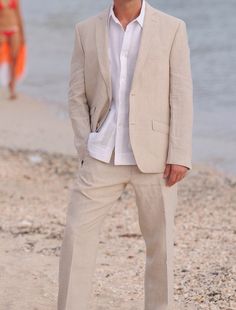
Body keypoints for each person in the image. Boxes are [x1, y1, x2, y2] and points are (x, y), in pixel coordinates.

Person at [57, 0, 193, 309]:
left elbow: (181, 95)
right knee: (76, 237)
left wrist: (180, 152)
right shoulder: (86, 30)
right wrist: (85, 145)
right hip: (102, 153)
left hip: (155, 158)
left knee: (161, 248)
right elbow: (76, 95)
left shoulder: (172, 29)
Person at [0, 0, 26, 99]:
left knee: (14, 58)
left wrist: (23, 35)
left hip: (14, 30)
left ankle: (12, 86)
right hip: (2, 31)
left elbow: (19, 17)